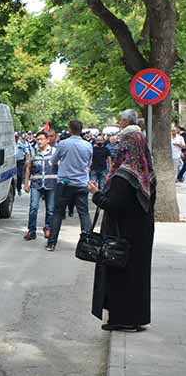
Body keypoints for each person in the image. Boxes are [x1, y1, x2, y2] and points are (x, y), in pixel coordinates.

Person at [88, 128, 156, 332]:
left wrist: (95, 193)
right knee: (139, 276)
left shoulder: (124, 175)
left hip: (122, 234)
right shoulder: (147, 171)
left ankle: (123, 319)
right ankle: (138, 318)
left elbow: (114, 205)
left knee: (122, 276)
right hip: (143, 232)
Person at [46, 120, 93, 251]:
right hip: (81, 183)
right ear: (81, 129)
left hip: (65, 183)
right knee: (84, 213)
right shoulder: (88, 146)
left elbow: (53, 161)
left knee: (58, 213)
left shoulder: (63, 144)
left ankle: (52, 243)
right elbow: (89, 163)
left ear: (70, 129)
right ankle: (88, 243)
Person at [23, 130, 57, 240]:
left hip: (51, 184)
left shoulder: (55, 152)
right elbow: (28, 168)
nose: (39, 141)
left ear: (47, 140)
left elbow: (61, 167)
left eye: (41, 139)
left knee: (51, 209)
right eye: (37, 139)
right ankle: (31, 230)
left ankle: (48, 228)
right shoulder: (33, 152)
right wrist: (26, 183)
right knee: (33, 207)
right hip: (36, 184)